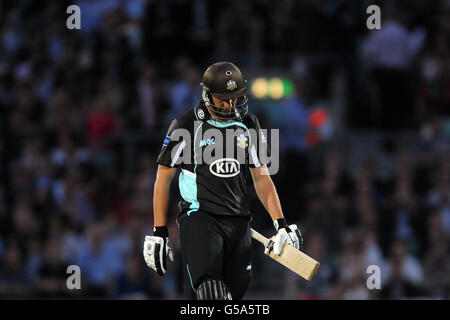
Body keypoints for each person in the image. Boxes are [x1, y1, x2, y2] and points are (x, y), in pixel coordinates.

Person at [142, 61, 303, 300]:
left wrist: (281, 224)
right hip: (199, 218)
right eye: (223, 100)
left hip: (239, 223)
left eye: (235, 98)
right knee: (211, 291)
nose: (230, 105)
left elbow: (261, 178)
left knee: (233, 296)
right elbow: (163, 180)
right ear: (207, 95)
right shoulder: (185, 126)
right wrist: (160, 231)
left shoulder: (249, 125)